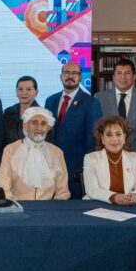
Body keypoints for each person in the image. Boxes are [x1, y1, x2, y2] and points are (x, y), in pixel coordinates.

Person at [44, 61, 95, 199]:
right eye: (66, 72)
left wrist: (86, 169)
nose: (70, 76)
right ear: (61, 76)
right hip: (51, 168)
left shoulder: (91, 103)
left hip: (76, 170)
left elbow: (92, 139)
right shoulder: (50, 100)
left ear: (80, 78)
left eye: (75, 73)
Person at [0, 107, 69, 201]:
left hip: (47, 207)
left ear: (48, 128)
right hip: (18, 205)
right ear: (25, 126)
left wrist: (56, 208)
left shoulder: (57, 152)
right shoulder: (10, 150)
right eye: (34, 123)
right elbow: (4, 188)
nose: (39, 128)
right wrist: (12, 206)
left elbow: (62, 192)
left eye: (43, 124)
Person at [83, 115, 136, 205]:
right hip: (98, 206)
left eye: (118, 134)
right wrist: (114, 197)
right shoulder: (90, 158)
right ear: (102, 138)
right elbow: (91, 189)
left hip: (128, 206)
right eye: (109, 135)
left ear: (124, 137)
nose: (114, 139)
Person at [89, 59, 136, 154]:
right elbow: (95, 130)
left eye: (127, 73)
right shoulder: (99, 98)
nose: (123, 77)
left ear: (134, 77)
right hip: (107, 155)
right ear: (113, 77)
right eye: (119, 73)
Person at [2, 75, 42, 145]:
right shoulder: (8, 112)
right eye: (20, 89)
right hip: (10, 151)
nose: (24, 93)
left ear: (36, 93)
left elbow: (47, 144)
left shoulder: (43, 115)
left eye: (28, 89)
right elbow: (3, 138)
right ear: (16, 92)